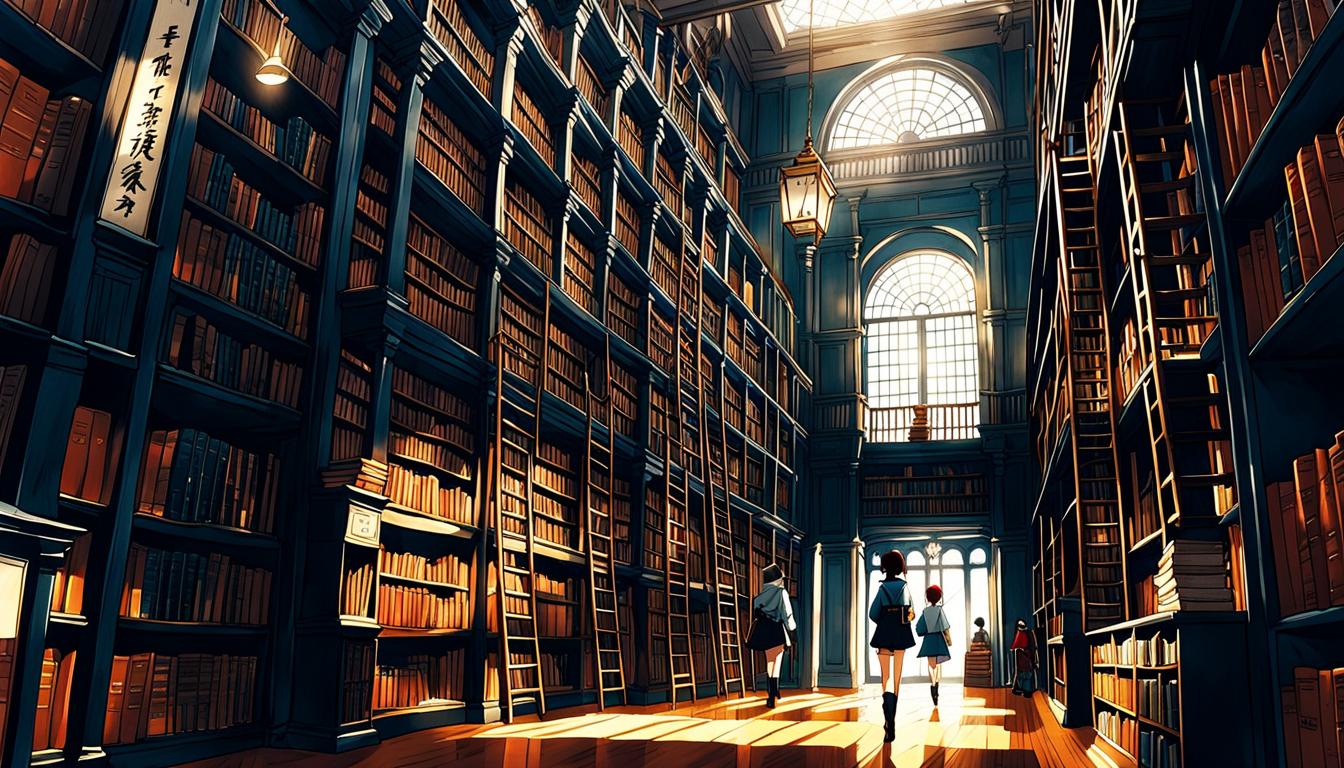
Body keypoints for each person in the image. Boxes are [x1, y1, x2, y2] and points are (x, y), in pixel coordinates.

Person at [868, 550, 915, 743]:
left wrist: (885, 619)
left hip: (885, 633)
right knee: (896, 679)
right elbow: (912, 613)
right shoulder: (905, 588)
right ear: (900, 566)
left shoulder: (882, 589)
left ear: (885, 566)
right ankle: (892, 722)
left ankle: (888, 723)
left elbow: (873, 614)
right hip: (901, 634)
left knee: (885, 678)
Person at [745, 563, 795, 708]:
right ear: (778, 579)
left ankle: (771, 692)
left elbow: (755, 611)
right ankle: (774, 692)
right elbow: (787, 613)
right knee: (777, 660)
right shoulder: (782, 593)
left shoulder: (759, 597)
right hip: (776, 629)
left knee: (769, 661)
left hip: (763, 630)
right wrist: (791, 627)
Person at [914, 584, 952, 706]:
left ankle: (932, 685)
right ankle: (937, 686)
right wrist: (949, 641)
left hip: (929, 640)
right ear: (939, 597)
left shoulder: (925, 612)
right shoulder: (940, 610)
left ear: (928, 598)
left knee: (931, 665)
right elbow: (945, 627)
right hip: (939, 639)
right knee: (938, 664)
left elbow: (919, 629)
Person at [1010, 619, 1037, 697]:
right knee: (1021, 673)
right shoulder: (1020, 633)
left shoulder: (1028, 633)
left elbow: (1031, 646)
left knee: (1026, 673)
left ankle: (1025, 690)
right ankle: (1020, 689)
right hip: (1021, 655)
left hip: (1026, 655)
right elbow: (1016, 645)